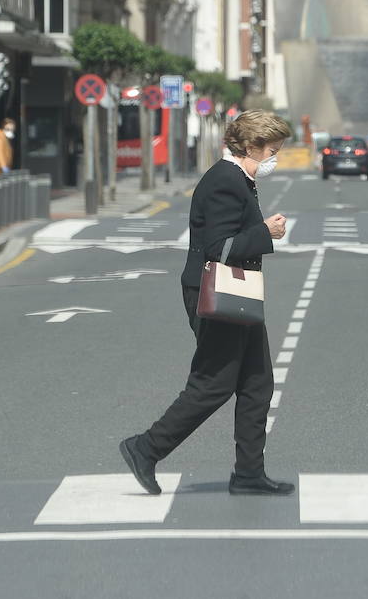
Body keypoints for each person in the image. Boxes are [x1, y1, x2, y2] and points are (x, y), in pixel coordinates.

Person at [120, 110, 293, 496]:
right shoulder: (224, 182)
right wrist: (265, 232)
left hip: (237, 294)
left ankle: (249, 473)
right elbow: (218, 248)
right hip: (215, 295)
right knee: (213, 384)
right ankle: (145, 447)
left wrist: (259, 232)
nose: (274, 159)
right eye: (272, 151)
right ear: (250, 147)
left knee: (257, 382)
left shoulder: (239, 179)